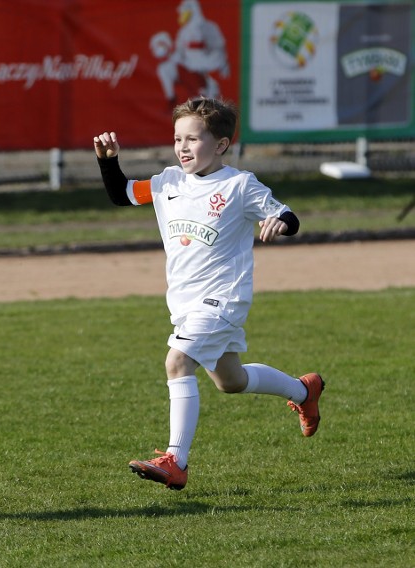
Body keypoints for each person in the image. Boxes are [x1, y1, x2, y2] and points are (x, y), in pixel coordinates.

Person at [93, 97, 323, 491]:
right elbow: (122, 194)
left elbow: (288, 215)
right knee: (229, 381)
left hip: (223, 299)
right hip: (185, 303)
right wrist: (108, 161)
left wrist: (279, 223)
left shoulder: (239, 185)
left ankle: (175, 460)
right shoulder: (168, 182)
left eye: (193, 139)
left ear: (220, 144)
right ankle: (304, 391)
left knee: (177, 362)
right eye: (178, 138)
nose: (183, 147)